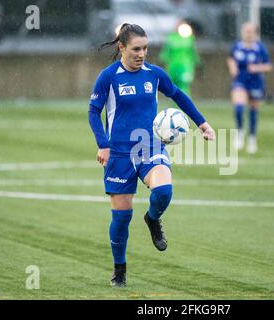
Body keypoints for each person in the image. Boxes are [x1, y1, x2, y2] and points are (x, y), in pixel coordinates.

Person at [88, 23, 215, 288]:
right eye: (136, 49)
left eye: (145, 48)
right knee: (121, 218)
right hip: (120, 154)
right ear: (122, 47)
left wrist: (202, 123)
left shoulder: (154, 75)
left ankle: (153, 218)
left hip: (150, 146)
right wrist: (103, 144)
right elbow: (93, 112)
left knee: (163, 192)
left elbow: (178, 95)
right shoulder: (109, 77)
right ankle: (119, 270)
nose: (141, 54)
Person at [226, 22, 273, 154]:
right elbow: (230, 58)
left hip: (255, 82)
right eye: (246, 31)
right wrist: (232, 67)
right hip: (240, 81)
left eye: (251, 31)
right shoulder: (237, 46)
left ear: (255, 33)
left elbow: (268, 65)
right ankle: (240, 133)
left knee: (253, 110)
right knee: (239, 107)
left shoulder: (260, 48)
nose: (248, 34)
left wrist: (256, 68)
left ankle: (252, 138)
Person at [159, 20, 200, 97]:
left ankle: (185, 105)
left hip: (186, 66)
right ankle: (175, 106)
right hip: (173, 66)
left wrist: (198, 64)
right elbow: (165, 53)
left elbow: (194, 53)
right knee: (173, 87)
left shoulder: (189, 39)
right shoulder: (171, 38)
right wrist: (162, 61)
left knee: (184, 85)